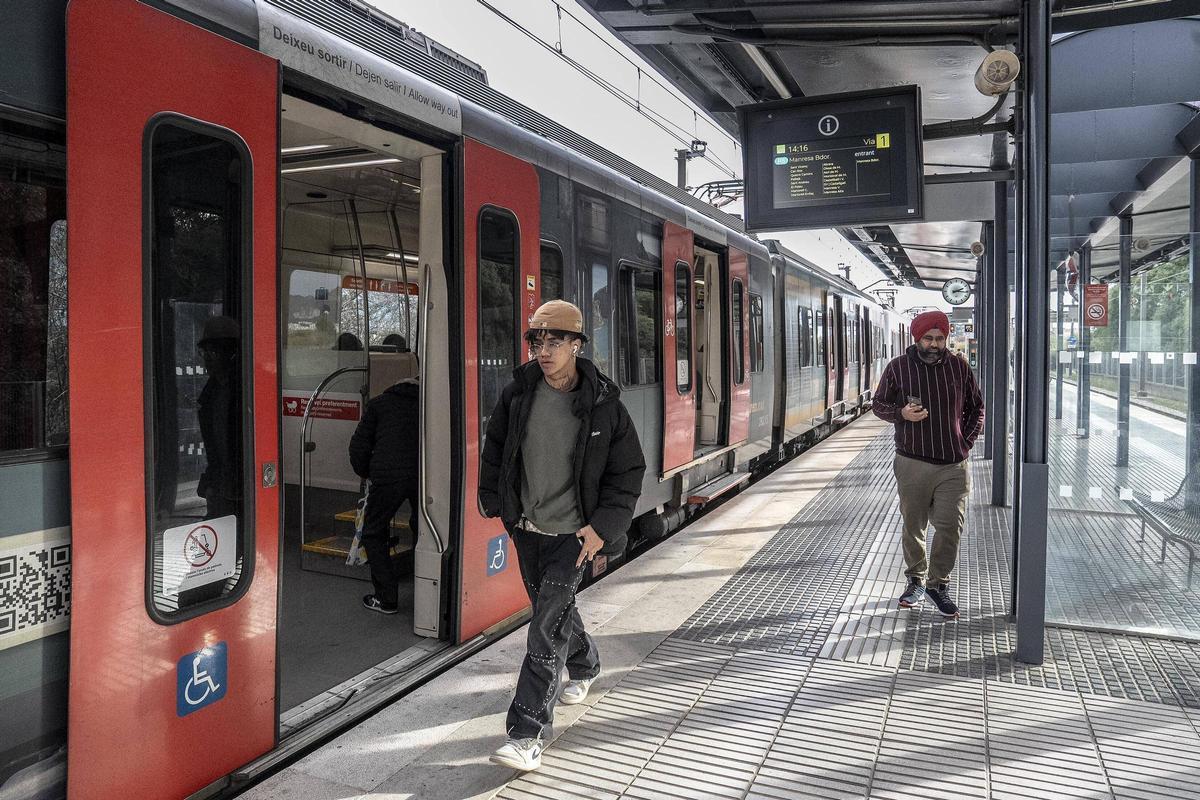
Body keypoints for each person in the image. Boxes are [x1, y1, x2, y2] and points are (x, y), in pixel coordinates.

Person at [479, 299, 645, 772]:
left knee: (544, 627)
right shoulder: (518, 395)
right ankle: (588, 664)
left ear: (576, 345)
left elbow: (629, 472)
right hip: (528, 529)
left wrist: (603, 529)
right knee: (552, 613)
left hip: (574, 536)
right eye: (537, 340)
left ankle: (527, 734)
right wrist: (496, 502)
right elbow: (496, 451)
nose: (543, 350)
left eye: (554, 341)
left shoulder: (602, 404)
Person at [872, 309, 984, 619]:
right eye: (929, 338)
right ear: (917, 339)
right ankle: (916, 580)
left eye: (940, 338)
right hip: (912, 462)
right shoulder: (898, 368)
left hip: (954, 465)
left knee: (950, 527)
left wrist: (966, 440)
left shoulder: (959, 368)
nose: (935, 344)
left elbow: (978, 408)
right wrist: (901, 414)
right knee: (914, 525)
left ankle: (938, 584)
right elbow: (878, 404)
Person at [348, 372, 420, 614]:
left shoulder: (379, 404)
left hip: (387, 477)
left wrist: (367, 472)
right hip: (425, 476)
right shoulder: (429, 404)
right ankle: (428, 585)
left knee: (374, 531)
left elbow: (358, 446)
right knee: (422, 526)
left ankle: (386, 598)